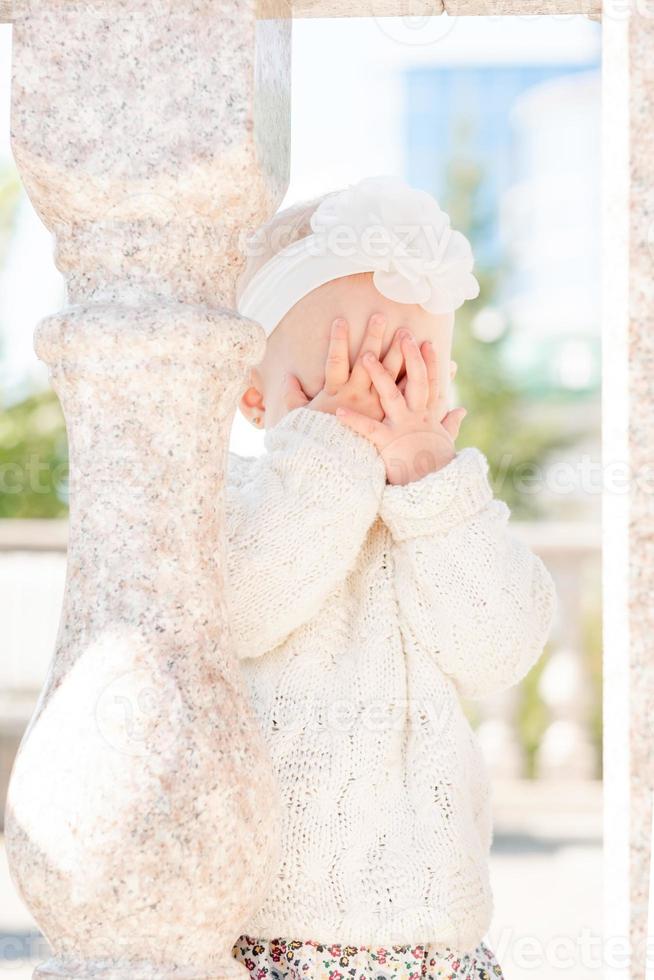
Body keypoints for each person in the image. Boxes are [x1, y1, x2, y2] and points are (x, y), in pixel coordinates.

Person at [225, 176, 557, 979]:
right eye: (339, 385)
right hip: (269, 939)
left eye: (407, 378)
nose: (376, 411)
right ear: (253, 399)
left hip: (435, 945)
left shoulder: (446, 516)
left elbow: (500, 649)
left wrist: (433, 491)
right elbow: (237, 609)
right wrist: (326, 461)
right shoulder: (240, 502)